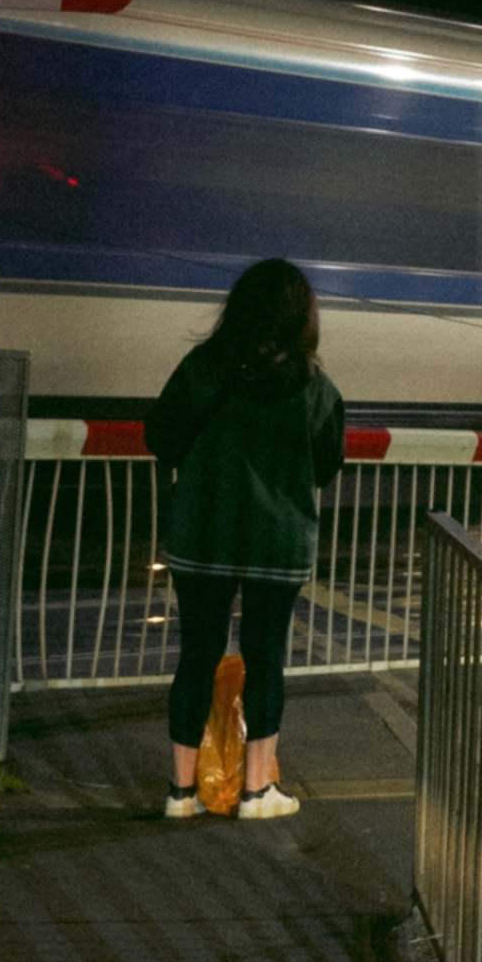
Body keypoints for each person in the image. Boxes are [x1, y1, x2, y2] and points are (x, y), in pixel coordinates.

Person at [145, 258, 347, 820]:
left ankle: (181, 794)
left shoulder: (203, 367)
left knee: (197, 656)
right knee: (266, 659)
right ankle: (258, 791)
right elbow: (328, 464)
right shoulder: (315, 388)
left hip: (203, 533)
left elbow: (160, 435)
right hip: (277, 543)